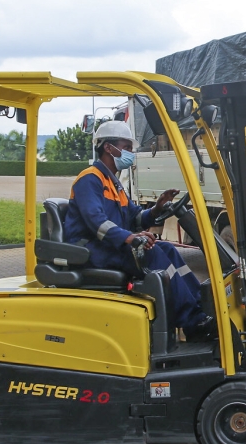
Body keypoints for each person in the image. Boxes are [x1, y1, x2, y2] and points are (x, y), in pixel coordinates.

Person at [63, 121, 209, 334]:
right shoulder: (90, 179)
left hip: (110, 246)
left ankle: (200, 305)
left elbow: (135, 218)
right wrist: (130, 238)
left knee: (167, 249)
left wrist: (157, 208)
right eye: (127, 147)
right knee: (153, 254)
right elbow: (97, 223)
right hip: (92, 249)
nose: (130, 153)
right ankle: (192, 322)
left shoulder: (114, 183)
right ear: (108, 147)